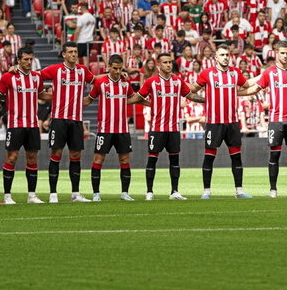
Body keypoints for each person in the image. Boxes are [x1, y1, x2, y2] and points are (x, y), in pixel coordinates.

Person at [240, 40, 287, 197]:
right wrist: (235, 93)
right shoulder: (269, 72)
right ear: (276, 53)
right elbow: (255, 88)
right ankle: (273, 189)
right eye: (282, 53)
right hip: (275, 119)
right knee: (274, 155)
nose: (285, 56)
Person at [186, 44, 254, 199]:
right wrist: (204, 99)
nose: (225, 57)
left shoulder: (235, 73)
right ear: (215, 57)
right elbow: (193, 90)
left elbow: (248, 84)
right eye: (222, 55)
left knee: (236, 157)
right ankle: (207, 191)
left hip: (232, 122)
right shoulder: (207, 74)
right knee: (209, 157)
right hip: (214, 123)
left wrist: (263, 77)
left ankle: (239, 191)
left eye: (227, 55)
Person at [135, 53, 203, 200]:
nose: (168, 65)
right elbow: (138, 98)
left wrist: (208, 99)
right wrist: (126, 99)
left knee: (175, 161)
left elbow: (191, 96)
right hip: (157, 129)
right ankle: (149, 192)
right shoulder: (151, 82)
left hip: (173, 129)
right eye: (165, 62)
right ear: (159, 65)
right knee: (152, 160)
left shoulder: (178, 81)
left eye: (170, 62)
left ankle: (174, 191)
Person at [84, 54, 145, 201]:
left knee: (124, 160)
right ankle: (96, 194)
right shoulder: (101, 83)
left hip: (122, 129)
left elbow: (132, 98)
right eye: (115, 68)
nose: (118, 72)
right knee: (98, 159)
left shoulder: (125, 83)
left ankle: (125, 193)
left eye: (120, 69)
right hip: (105, 129)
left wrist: (150, 103)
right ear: (109, 67)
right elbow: (89, 99)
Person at [40, 42, 95, 203]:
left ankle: (75, 194)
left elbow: (94, 81)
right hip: (59, 120)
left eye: (75, 52)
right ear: (63, 54)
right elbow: (35, 77)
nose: (73, 54)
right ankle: (53, 194)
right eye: (70, 52)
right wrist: (46, 95)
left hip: (76, 120)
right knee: (56, 154)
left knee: (76, 155)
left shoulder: (82, 71)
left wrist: (112, 75)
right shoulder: (55, 70)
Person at [0, 47, 47, 205]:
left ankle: (31, 195)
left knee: (32, 158)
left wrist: (60, 95)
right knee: (12, 158)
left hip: (32, 125)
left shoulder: (37, 77)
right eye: (25, 59)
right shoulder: (8, 77)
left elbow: (42, 95)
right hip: (15, 124)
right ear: (18, 60)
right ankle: (7, 196)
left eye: (31, 59)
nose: (29, 62)